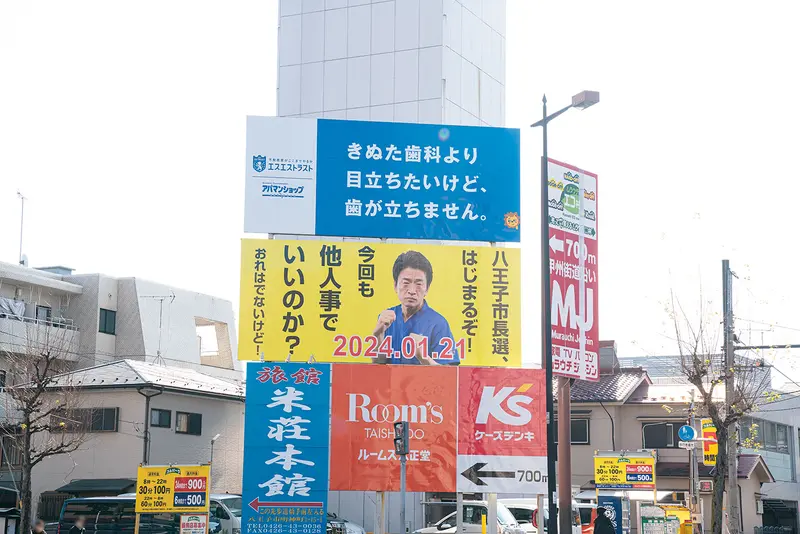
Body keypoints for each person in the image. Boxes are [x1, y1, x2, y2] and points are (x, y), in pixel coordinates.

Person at [373, 250, 459, 365]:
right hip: (391, 377)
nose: (412, 291)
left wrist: (424, 358)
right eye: (406, 283)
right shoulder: (387, 318)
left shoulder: (438, 323)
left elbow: (449, 373)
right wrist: (378, 334)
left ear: (427, 288)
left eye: (418, 284)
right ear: (395, 285)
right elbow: (378, 364)